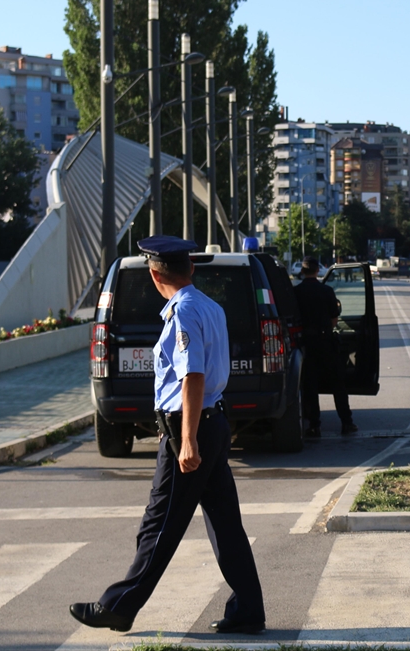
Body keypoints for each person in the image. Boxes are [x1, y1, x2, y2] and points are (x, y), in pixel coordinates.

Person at [70, 236, 265, 635]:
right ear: (190, 269)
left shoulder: (183, 313)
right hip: (212, 422)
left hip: (190, 428)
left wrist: (187, 439)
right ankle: (248, 609)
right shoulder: (209, 307)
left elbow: (192, 376)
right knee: (226, 524)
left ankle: (119, 606)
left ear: (155, 274)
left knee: (159, 523)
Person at [294, 256, 357, 437]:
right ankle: (347, 423)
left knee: (310, 385)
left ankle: (314, 425)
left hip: (306, 344)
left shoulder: (296, 292)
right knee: (338, 384)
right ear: (317, 271)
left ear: (302, 271)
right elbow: (334, 319)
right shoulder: (327, 291)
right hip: (326, 343)